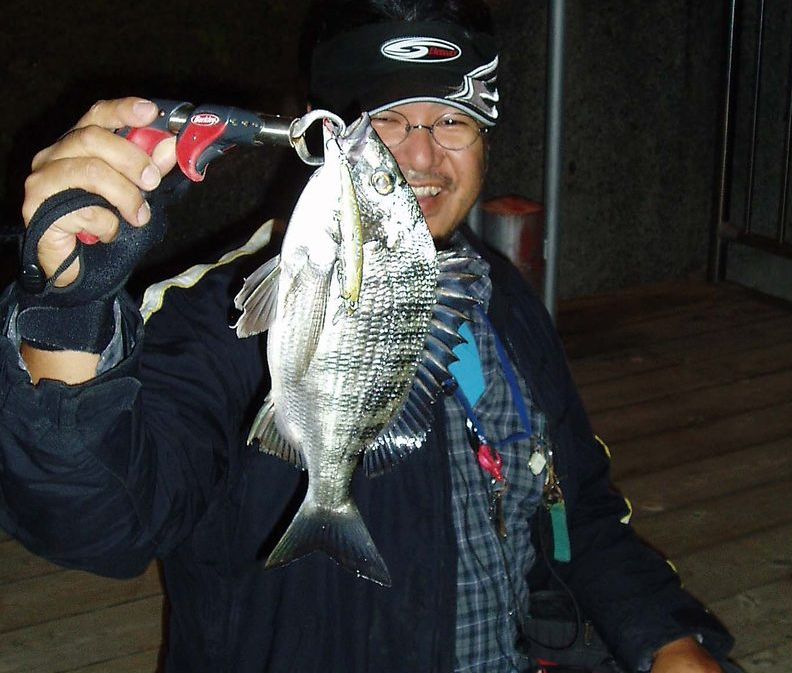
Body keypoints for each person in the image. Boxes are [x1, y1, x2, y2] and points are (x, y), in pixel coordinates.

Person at [1, 1, 737, 671]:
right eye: (385, 118)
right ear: (323, 139)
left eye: (452, 120)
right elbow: (95, 518)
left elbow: (579, 510)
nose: (419, 156)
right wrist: (68, 307)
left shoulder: (500, 298)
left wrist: (665, 638)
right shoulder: (222, 316)